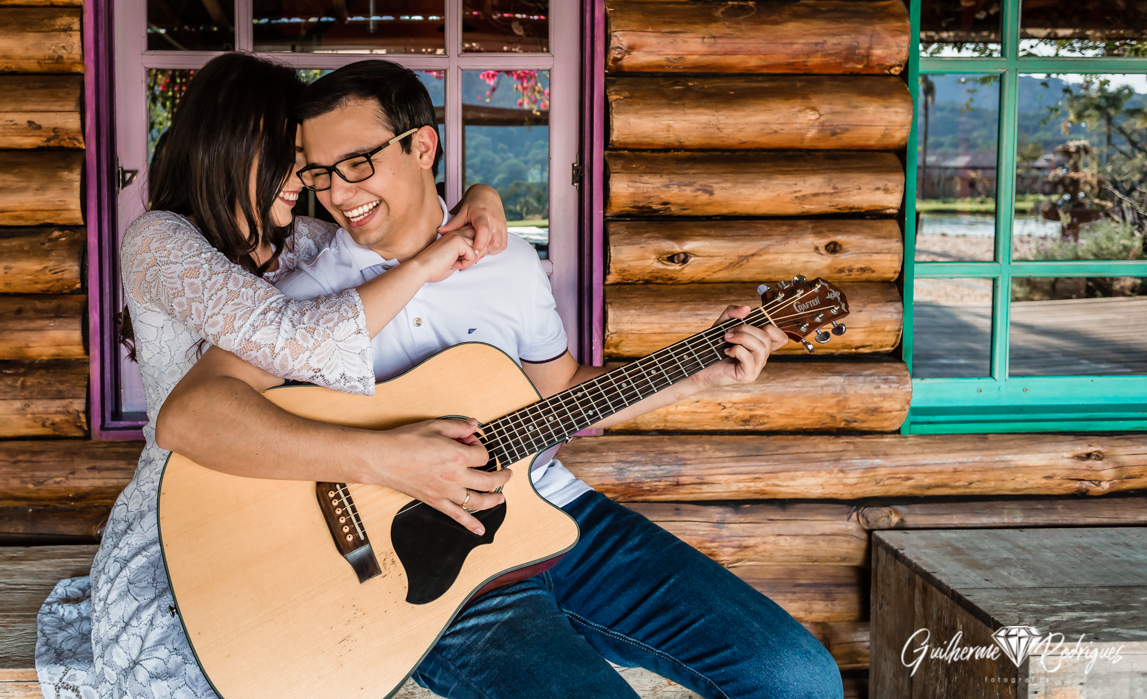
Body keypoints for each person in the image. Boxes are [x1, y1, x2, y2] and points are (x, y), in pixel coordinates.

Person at [157, 60, 845, 699]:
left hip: (558, 513)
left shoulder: (509, 262)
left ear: (422, 148)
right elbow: (193, 416)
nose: (338, 193)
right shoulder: (304, 291)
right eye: (318, 174)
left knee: (800, 677)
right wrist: (394, 459)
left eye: (358, 164)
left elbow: (560, 394)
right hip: (421, 572)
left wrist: (699, 376)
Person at [33, 52, 513, 699]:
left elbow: (400, 224)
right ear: (231, 144)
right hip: (182, 513)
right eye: (290, 156)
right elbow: (290, 339)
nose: (306, 177)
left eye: (307, 162)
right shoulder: (159, 240)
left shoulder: (304, 241)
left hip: (295, 506)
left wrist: (481, 198)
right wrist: (428, 265)